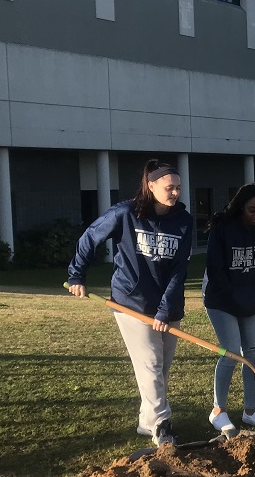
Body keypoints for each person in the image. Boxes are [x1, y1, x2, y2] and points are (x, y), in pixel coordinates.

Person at [67, 159, 193, 446]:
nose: (174, 193)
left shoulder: (183, 220)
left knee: (161, 369)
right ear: (151, 186)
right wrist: (77, 275)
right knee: (149, 363)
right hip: (131, 302)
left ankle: (146, 422)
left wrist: (165, 309)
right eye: (169, 188)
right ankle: (162, 425)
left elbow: (179, 270)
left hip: (168, 304)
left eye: (178, 188)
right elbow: (90, 237)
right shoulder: (126, 213)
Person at [202, 183, 255, 435]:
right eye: (252, 210)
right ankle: (218, 412)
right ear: (241, 207)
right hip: (221, 300)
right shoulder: (223, 228)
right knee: (232, 352)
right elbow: (215, 270)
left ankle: (250, 411)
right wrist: (235, 299)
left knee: (252, 354)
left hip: (251, 300)